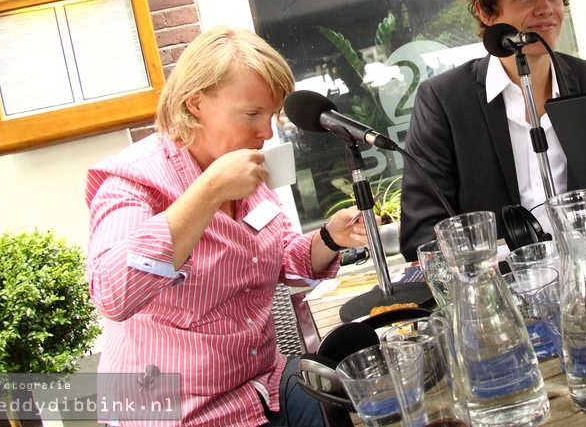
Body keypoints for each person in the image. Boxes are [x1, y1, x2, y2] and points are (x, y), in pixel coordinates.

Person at [85, 26, 372, 427]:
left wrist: (329, 238)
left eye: (271, 115)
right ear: (195, 102)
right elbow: (112, 293)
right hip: (177, 410)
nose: (266, 132)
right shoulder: (135, 179)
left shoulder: (247, 171)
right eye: (252, 114)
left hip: (260, 385)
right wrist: (209, 190)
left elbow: (278, 260)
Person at [399, 0, 586, 260]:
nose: (545, 9)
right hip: (502, 290)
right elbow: (422, 234)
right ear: (487, 12)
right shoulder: (444, 100)